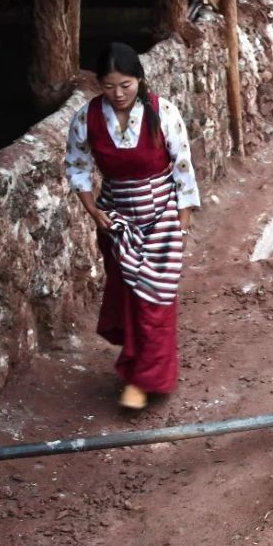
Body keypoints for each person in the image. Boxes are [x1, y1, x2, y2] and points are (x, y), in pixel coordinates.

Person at [65, 43, 199, 410]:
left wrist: (181, 226)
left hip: (162, 220)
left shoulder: (162, 112)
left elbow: (183, 167)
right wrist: (94, 212)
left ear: (139, 79)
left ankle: (144, 380)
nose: (118, 94)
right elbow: (76, 168)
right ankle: (139, 366)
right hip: (117, 222)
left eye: (125, 85)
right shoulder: (86, 118)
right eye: (109, 86)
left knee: (154, 300)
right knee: (130, 298)